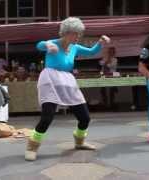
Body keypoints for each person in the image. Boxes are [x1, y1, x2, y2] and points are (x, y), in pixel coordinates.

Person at [25, 17, 110, 161]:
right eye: (76, 34)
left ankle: (80, 142)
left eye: (79, 34)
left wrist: (100, 43)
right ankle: (32, 147)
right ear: (66, 33)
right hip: (50, 80)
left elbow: (90, 52)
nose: (78, 37)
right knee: (47, 117)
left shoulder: (74, 47)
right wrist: (47, 45)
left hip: (67, 81)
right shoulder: (54, 43)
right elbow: (39, 45)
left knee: (85, 118)